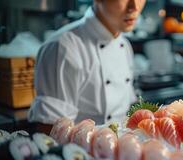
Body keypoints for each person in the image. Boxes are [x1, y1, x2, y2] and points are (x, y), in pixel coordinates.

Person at [28, 0, 146, 131]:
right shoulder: (63, 47)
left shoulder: (125, 46)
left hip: (122, 146)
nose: (134, 7)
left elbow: (127, 111)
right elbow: (50, 129)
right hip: (80, 150)